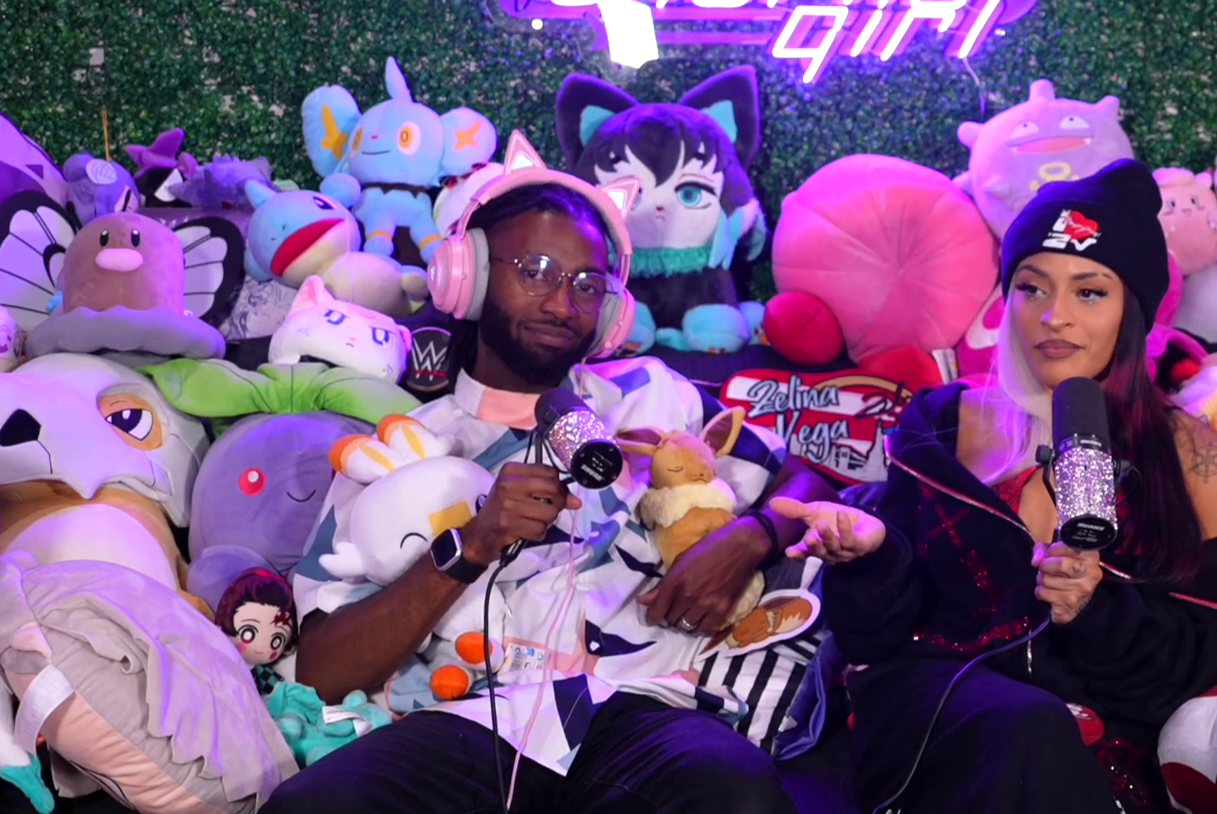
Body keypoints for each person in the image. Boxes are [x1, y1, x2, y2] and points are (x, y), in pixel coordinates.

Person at [263, 151, 839, 814]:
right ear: (469, 276)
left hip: (646, 709)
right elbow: (323, 670)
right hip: (472, 718)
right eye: (534, 271)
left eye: (587, 285)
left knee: (739, 796)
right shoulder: (398, 450)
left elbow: (809, 482)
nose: (563, 304)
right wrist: (468, 548)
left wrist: (746, 538)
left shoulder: (652, 395)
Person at [774, 160, 1217, 813]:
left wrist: (1097, 610)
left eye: (1089, 292)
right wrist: (871, 559)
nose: (1055, 317)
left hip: (1103, 754)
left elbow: (1209, 671)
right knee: (1026, 725)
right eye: (1032, 288)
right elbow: (874, 639)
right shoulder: (939, 425)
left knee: (1046, 734)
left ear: (1132, 309)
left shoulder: (1202, 463)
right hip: (932, 723)